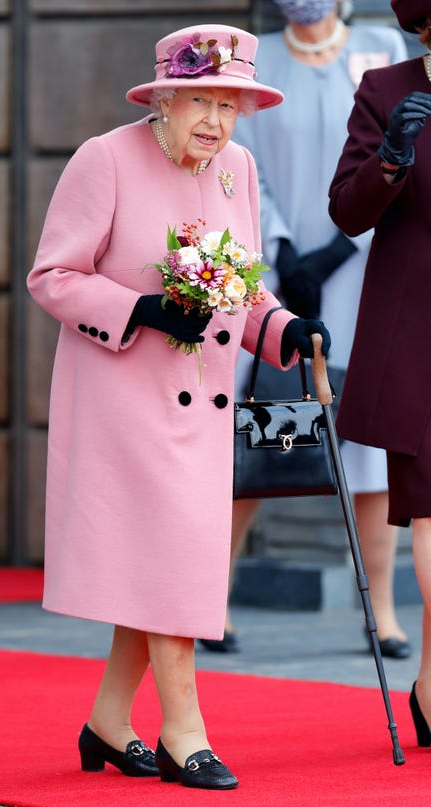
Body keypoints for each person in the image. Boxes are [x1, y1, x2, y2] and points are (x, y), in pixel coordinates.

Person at [27, 23, 331, 790]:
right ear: (163, 98)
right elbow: (53, 275)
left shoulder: (237, 167)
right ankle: (184, 731)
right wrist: (143, 309)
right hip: (126, 403)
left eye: (230, 104)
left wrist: (283, 325)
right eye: (201, 99)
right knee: (173, 565)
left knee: (164, 566)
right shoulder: (106, 159)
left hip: (200, 411)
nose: (216, 121)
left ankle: (106, 720)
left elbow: (243, 287)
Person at [201, 0, 410, 658]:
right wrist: (288, 252)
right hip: (280, 279)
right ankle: (211, 601)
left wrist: (341, 248)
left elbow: (402, 154)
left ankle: (381, 613)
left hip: (369, 270)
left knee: (373, 455)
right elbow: (241, 165)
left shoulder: (381, 49)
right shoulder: (255, 56)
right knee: (267, 436)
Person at [328, 0, 431, 746]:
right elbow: (346, 211)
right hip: (416, 329)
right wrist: (390, 159)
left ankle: (428, 684)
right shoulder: (387, 87)